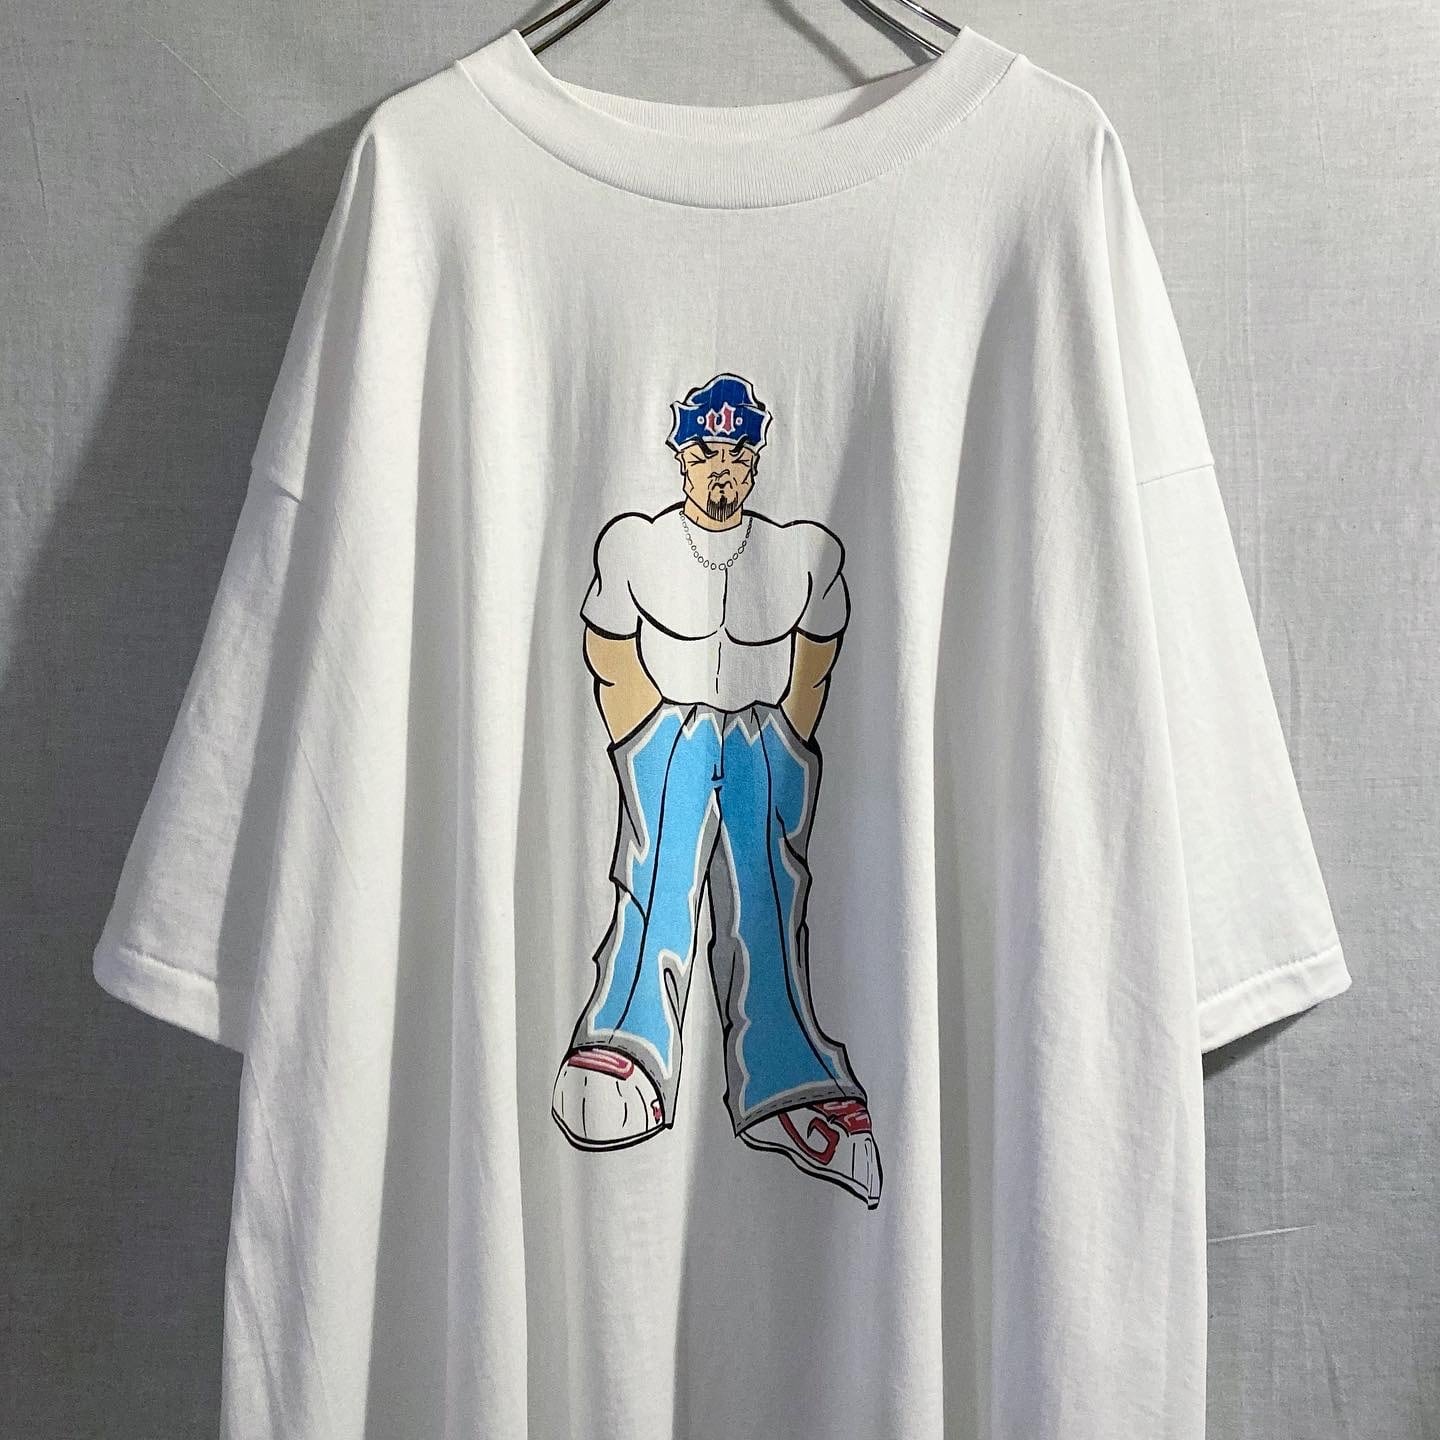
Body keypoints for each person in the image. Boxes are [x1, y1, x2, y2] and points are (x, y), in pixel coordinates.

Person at [551, 372, 882, 1208]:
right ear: (681, 460)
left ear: (757, 461)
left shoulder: (804, 551)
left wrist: (788, 737)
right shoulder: (636, 546)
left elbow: (818, 648)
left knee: (768, 889)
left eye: (737, 454)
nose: (722, 470)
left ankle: (786, 1075)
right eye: (705, 454)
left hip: (763, 736)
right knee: (657, 875)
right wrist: (645, 733)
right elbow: (608, 644)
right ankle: (627, 1042)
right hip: (667, 731)